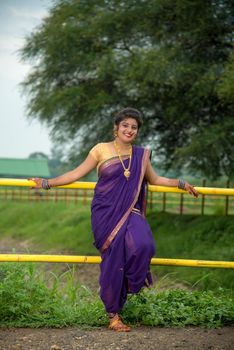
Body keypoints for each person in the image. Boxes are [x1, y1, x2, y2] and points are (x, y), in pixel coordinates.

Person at [30, 107, 198, 332]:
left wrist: (180, 183)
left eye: (134, 127)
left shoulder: (141, 155)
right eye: (125, 125)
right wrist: (47, 183)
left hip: (130, 211)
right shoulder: (101, 149)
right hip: (105, 213)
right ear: (116, 128)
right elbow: (76, 174)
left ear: (137, 131)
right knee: (113, 260)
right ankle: (113, 316)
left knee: (144, 245)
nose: (129, 130)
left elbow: (155, 179)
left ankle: (125, 288)